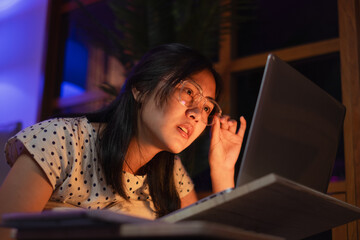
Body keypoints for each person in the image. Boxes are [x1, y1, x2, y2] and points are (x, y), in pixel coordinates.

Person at [0, 43, 246, 238]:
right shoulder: (62, 140)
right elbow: (6, 231)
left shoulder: (171, 173)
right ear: (139, 88)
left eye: (207, 108)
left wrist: (223, 173)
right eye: (189, 91)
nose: (196, 113)